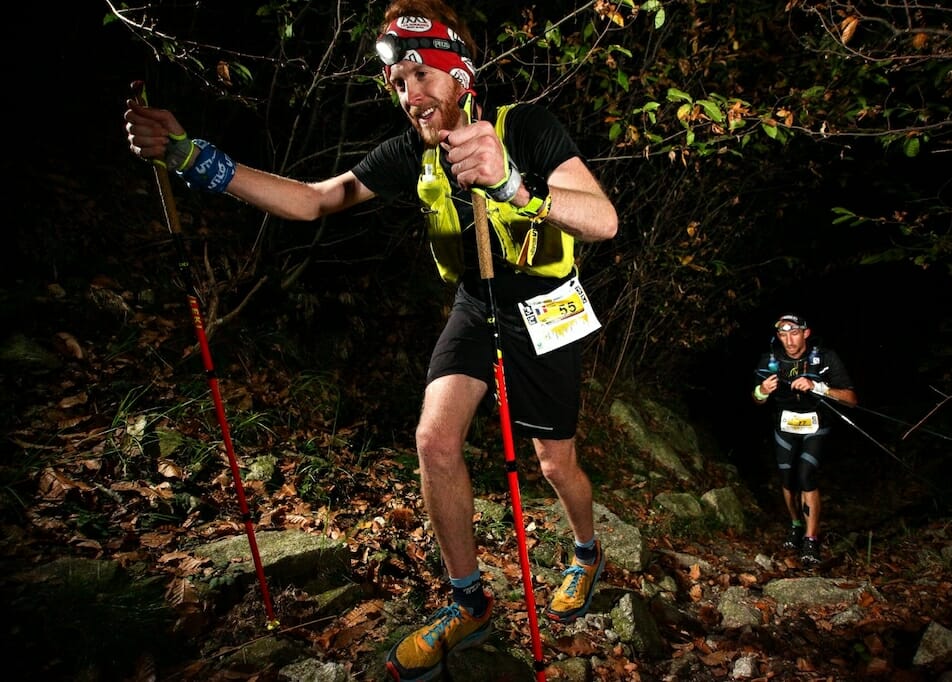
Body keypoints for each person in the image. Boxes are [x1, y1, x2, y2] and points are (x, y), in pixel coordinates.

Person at [125, 0, 617, 679]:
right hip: (479, 303)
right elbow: (315, 199)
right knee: (434, 441)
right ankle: (468, 601)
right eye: (397, 83)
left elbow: (602, 219)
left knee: (555, 465)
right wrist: (200, 162)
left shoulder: (524, 127)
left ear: (460, 74)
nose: (410, 95)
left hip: (546, 305)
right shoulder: (408, 154)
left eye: (421, 75)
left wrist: (514, 186)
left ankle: (587, 551)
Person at [751, 313, 857, 565]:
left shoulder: (825, 357)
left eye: (794, 333)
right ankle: (796, 524)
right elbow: (756, 399)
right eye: (783, 335)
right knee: (787, 477)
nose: (789, 340)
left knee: (806, 475)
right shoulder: (770, 360)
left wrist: (818, 387)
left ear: (806, 333)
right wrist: (762, 390)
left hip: (816, 422)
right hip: (785, 423)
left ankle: (811, 540)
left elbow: (851, 399)